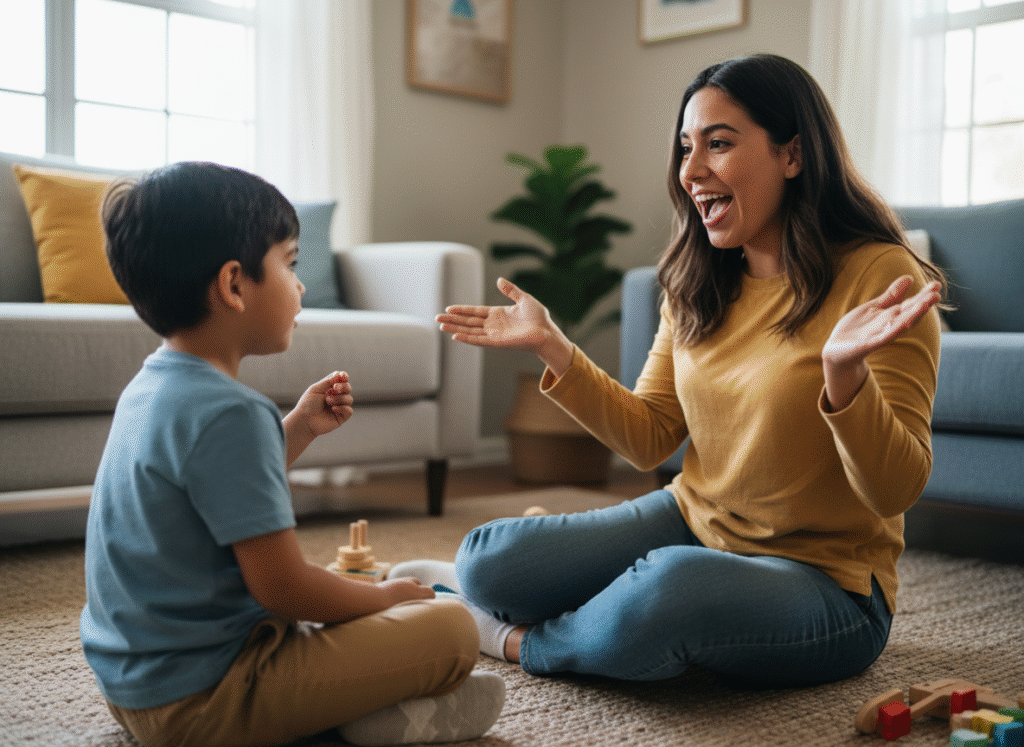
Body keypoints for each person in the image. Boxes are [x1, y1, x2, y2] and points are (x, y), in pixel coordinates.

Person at [393, 53, 947, 690]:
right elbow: (651, 435)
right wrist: (555, 349)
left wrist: (845, 380)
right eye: (686, 148)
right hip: (694, 518)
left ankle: (518, 640)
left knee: (666, 590)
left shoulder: (882, 279)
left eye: (719, 144)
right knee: (490, 560)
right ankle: (581, 610)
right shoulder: (697, 279)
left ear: (793, 154)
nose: (691, 171)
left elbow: (895, 492)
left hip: (831, 584)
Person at [80, 162, 504, 747]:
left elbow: (213, 494)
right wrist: (379, 599)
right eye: (290, 263)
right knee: (450, 627)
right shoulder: (231, 410)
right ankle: (370, 725)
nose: (300, 285)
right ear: (233, 285)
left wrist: (296, 432)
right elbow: (284, 591)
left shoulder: (151, 389)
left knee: (370, 596)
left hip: (136, 690)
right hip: (211, 699)